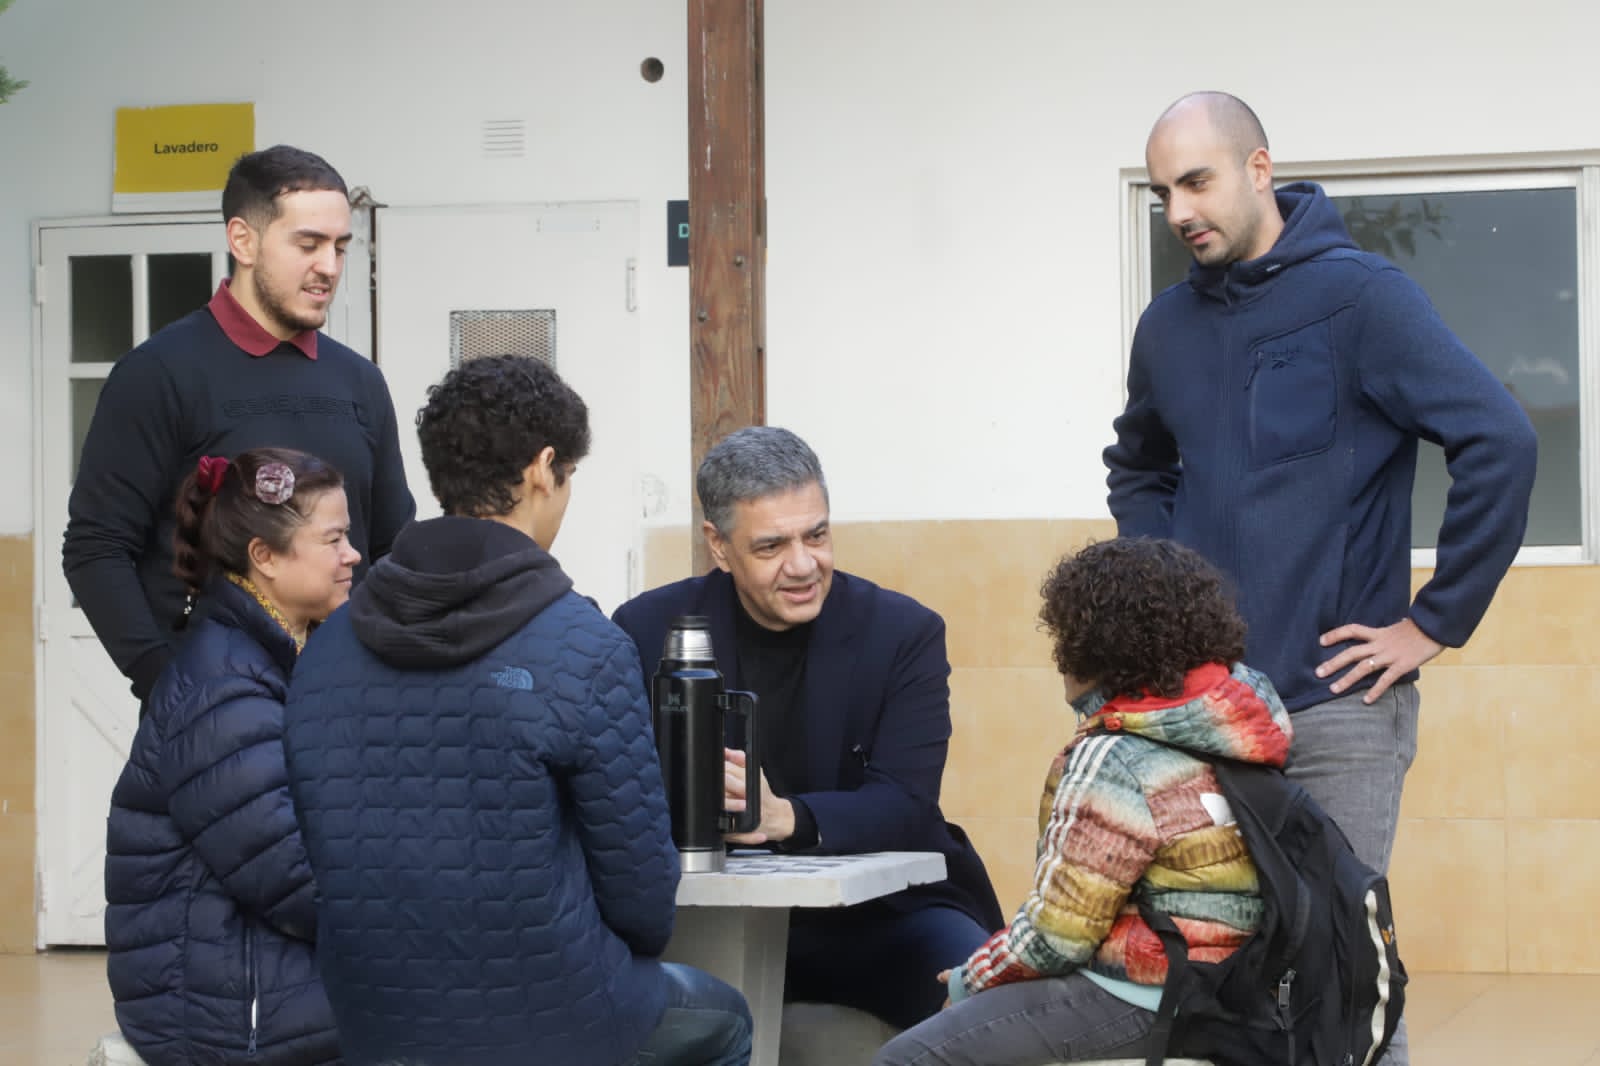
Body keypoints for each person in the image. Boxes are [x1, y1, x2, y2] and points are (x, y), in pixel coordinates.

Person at [1104, 91, 1539, 1065]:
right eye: (1164, 189)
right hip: (1206, 709)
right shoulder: (1165, 326)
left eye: (1198, 180)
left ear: (1259, 168)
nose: (1179, 208)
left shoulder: (1360, 298)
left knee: (1332, 961)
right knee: (1227, 969)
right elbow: (1138, 463)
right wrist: (1161, 573)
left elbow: (1498, 439)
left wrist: (1433, 621)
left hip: (1337, 705)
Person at [281, 355, 751, 1066]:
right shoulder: (584, 646)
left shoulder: (325, 651)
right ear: (543, 468)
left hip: (374, 1021)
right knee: (727, 1020)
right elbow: (645, 907)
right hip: (560, 1019)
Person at [613, 426, 1005, 1030]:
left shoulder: (903, 631)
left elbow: (907, 804)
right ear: (718, 546)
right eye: (771, 547)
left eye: (816, 535)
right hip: (705, 912)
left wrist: (784, 817)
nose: (803, 566)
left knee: (984, 1001)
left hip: (884, 914)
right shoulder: (648, 627)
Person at [873, 537, 1292, 1066]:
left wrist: (966, 979)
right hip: (1235, 993)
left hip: (1148, 994)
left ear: (1094, 646)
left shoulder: (1114, 755)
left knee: (905, 1058)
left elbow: (1057, 937)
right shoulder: (1242, 724)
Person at [64, 144, 415, 710]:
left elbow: (392, 547)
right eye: (308, 243)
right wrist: (163, 684)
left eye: (339, 247)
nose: (329, 266)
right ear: (243, 240)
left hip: (348, 713)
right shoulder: (159, 374)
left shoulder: (360, 383)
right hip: (210, 717)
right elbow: (95, 547)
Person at [104, 447, 357, 1066]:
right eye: (334, 539)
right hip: (226, 1011)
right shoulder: (224, 688)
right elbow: (293, 878)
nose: (352, 555)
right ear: (264, 557)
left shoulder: (281, 654)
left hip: (255, 982)